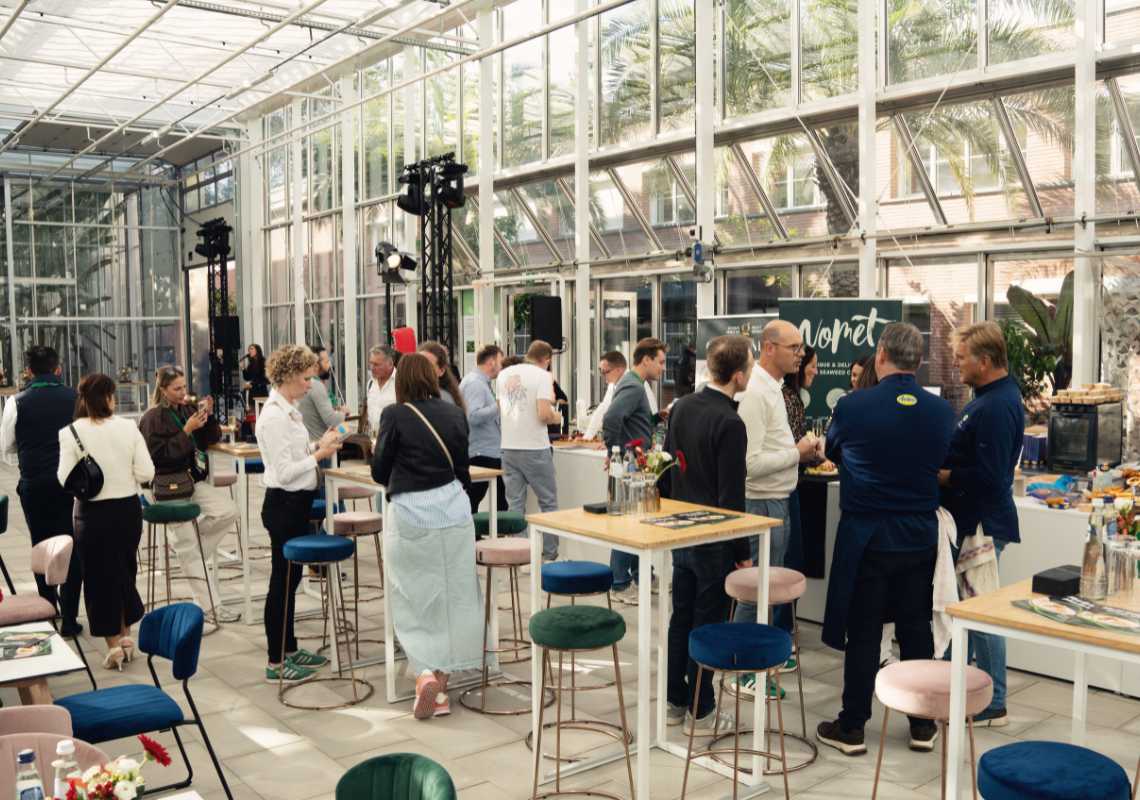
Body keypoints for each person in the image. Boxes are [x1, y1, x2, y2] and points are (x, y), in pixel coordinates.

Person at [816, 323, 955, 757]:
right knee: (915, 628)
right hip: (918, 533)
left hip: (867, 534)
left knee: (863, 629)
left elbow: (832, 452)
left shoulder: (852, 406)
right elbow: (944, 462)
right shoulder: (941, 411)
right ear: (919, 360)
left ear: (880, 355)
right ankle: (922, 724)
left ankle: (853, 726)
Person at [372, 353, 483, 719]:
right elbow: (463, 469)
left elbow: (379, 471)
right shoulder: (455, 413)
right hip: (453, 511)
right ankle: (441, 689)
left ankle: (423, 673)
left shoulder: (394, 415)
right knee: (455, 597)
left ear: (401, 381)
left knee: (410, 596)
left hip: (410, 514)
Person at [660, 334, 754, 730]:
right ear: (738, 375)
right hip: (713, 538)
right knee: (708, 623)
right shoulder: (730, 422)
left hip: (681, 530)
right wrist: (742, 551)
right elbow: (732, 498)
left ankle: (675, 700)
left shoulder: (682, 406)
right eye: (750, 366)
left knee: (681, 617)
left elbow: (666, 469)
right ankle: (701, 708)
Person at [939, 321, 1024, 728]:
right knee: (971, 611)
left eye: (961, 358)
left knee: (982, 612)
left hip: (982, 525)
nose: (956, 364)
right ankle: (970, 690)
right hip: (973, 519)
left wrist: (946, 476)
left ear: (985, 361)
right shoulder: (990, 399)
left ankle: (994, 703)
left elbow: (991, 476)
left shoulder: (996, 406)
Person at [732, 322, 820, 697]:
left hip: (776, 500)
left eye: (801, 348)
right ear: (769, 348)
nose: (800, 355)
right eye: (793, 347)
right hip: (762, 503)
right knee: (756, 590)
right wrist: (796, 453)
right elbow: (749, 465)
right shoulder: (756, 393)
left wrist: (800, 452)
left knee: (767, 588)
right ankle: (743, 669)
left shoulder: (775, 388)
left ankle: (758, 657)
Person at [57, 373, 154, 669]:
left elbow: (63, 477)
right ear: (110, 398)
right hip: (127, 510)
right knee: (125, 571)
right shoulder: (127, 427)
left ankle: (113, 646)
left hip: (91, 514)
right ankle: (126, 637)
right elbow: (147, 472)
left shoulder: (70, 432)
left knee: (99, 579)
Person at [255, 345, 339, 683]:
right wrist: (319, 454)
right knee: (282, 582)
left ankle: (288, 649)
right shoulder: (274, 416)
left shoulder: (289, 410)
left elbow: (295, 452)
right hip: (283, 504)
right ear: (288, 376)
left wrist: (318, 445)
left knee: (291, 581)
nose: (309, 384)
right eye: (305, 378)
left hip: (296, 503)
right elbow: (285, 471)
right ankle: (275, 660)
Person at [139, 365, 239, 623]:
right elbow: (158, 457)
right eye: (177, 388)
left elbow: (210, 438)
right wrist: (186, 430)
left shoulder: (186, 409)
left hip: (191, 481)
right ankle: (211, 607)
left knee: (228, 511)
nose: (183, 392)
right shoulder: (151, 418)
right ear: (163, 390)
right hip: (166, 486)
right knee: (188, 548)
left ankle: (190, 551)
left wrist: (208, 416)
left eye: (184, 386)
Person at [0, 345, 84, 635]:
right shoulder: (75, 398)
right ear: (58, 368)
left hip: (34, 484)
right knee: (72, 547)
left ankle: (48, 610)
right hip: (70, 484)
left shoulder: (17, 402)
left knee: (41, 545)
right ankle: (70, 619)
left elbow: (6, 445)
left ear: (28, 372)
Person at [603, 337, 669, 603]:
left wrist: (654, 418)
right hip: (630, 466)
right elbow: (611, 418)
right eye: (660, 362)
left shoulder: (634, 384)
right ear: (646, 360)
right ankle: (620, 584)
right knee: (628, 524)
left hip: (635, 463)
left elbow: (631, 421)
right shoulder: (633, 385)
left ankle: (642, 576)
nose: (663, 368)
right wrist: (615, 454)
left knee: (638, 523)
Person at [497, 340, 563, 561]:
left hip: (508, 447)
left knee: (515, 504)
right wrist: (557, 416)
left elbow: (501, 410)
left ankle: (522, 554)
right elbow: (544, 414)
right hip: (535, 447)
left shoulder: (504, 375)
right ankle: (550, 554)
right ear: (547, 360)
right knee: (548, 502)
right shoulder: (542, 376)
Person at [460, 344, 508, 515]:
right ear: (491, 362)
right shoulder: (475, 384)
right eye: (501, 362)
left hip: (488, 451)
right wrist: (499, 406)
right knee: (473, 498)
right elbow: (473, 416)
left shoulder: (480, 382)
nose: (502, 367)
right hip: (482, 453)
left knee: (499, 499)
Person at [297, 345, 346, 442]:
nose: (330, 365)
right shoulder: (316, 386)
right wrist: (344, 413)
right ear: (316, 365)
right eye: (326, 362)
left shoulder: (302, 384)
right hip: (321, 443)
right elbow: (332, 420)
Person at [583, 352, 628, 440]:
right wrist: (587, 437)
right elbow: (603, 409)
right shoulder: (613, 384)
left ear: (619, 370)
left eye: (605, 372)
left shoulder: (631, 384)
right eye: (601, 371)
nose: (603, 376)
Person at [419, 341, 466, 412]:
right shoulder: (414, 394)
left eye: (428, 366)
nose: (421, 369)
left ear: (441, 370)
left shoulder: (443, 399)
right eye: (418, 364)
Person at [365, 344, 398, 435]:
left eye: (376, 364)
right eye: (371, 363)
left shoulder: (400, 382)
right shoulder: (371, 383)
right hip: (374, 437)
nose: (372, 368)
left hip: (394, 438)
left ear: (390, 364)